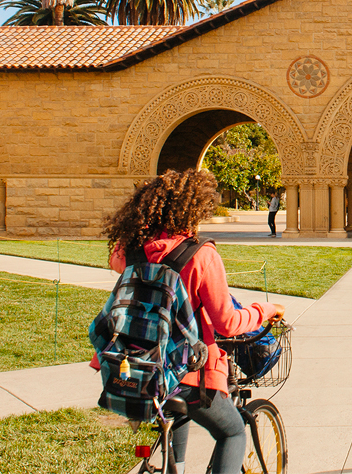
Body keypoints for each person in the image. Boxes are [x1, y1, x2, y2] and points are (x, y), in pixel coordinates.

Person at [101, 169, 285, 474]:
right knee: (233, 431)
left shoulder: (133, 254)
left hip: (137, 372)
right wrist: (264, 310)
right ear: (193, 209)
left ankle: (180, 467)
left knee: (176, 413)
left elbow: (117, 257)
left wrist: (137, 229)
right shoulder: (201, 256)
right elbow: (226, 322)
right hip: (190, 374)